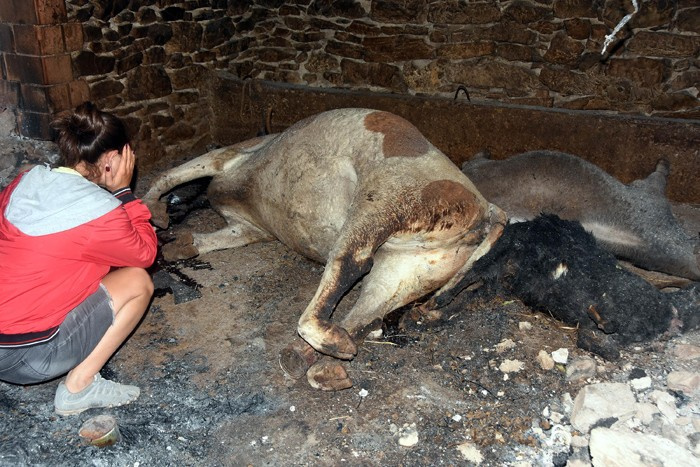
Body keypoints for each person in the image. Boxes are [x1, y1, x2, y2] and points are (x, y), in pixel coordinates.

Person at [0, 102, 158, 415]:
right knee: (138, 282)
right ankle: (78, 388)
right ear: (112, 159)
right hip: (28, 357)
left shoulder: (25, 182)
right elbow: (145, 252)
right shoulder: (99, 211)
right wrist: (124, 193)